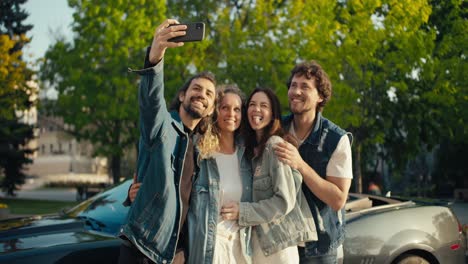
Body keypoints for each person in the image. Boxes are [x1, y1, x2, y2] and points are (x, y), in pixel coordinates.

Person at [118, 19, 217, 264]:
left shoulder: (200, 150)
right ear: (183, 94)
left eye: (208, 94)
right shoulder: (163, 125)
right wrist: (155, 56)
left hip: (175, 254)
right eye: (196, 88)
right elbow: (151, 100)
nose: (201, 95)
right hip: (143, 248)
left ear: (210, 110)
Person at [221, 87, 317, 264]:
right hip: (257, 246)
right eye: (252, 104)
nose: (256, 109)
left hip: (278, 247)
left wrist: (242, 211)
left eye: (263, 105)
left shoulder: (275, 146)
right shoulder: (249, 150)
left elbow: (284, 201)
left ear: (273, 114)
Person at [274, 61, 353, 264]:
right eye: (293, 85)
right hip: (281, 241)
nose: (296, 91)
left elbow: (337, 199)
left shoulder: (337, 139)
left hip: (320, 248)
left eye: (305, 87)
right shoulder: (276, 129)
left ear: (320, 97)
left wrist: (299, 164)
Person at [187, 85, 253, 264]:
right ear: (215, 111)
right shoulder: (200, 152)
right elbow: (182, 203)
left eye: (237, 109)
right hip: (210, 249)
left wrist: (244, 211)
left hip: (241, 249)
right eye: (225, 107)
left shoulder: (248, 155)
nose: (231, 114)